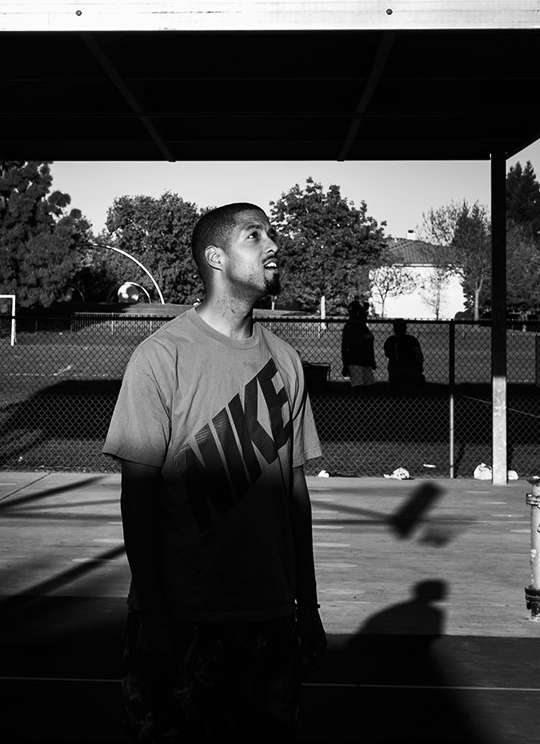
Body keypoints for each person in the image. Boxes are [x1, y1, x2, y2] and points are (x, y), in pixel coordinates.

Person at [103, 202, 327, 740]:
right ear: (216, 258)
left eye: (272, 234)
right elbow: (138, 500)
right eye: (256, 236)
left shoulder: (288, 363)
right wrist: (155, 613)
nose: (274, 245)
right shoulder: (161, 358)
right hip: (182, 619)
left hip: (270, 618)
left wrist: (309, 606)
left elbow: (295, 497)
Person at [341, 300, 377, 389]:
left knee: (369, 386)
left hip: (365, 361)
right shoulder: (351, 327)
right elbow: (345, 347)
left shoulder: (363, 327)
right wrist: (345, 364)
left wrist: (372, 360)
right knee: (358, 387)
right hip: (355, 361)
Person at [383, 318, 425, 389]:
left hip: (394, 369)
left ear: (394, 328)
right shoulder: (412, 339)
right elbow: (419, 355)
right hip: (411, 369)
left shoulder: (390, 340)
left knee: (396, 391)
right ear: (405, 328)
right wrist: (420, 367)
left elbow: (387, 354)